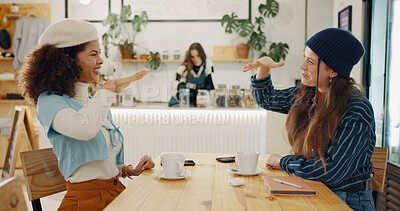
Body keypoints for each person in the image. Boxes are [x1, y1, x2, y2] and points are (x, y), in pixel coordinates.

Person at [18, 19, 155, 210]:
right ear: (67, 59)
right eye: (93, 54)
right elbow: (85, 129)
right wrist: (107, 89)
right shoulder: (49, 102)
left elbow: (95, 161)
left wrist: (128, 170)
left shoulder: (91, 102)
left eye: (100, 54)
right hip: (86, 202)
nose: (101, 61)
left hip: (114, 193)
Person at [243, 28, 376, 210]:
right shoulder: (310, 94)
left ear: (333, 71)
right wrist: (264, 67)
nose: (302, 66)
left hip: (347, 199)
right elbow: (266, 99)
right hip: (312, 188)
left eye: (311, 61)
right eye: (304, 57)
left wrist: (284, 162)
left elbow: (331, 171)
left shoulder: (356, 109)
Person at [168, 42, 215, 107]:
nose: (196, 59)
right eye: (192, 57)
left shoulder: (207, 65)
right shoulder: (183, 68)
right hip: (184, 103)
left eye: (198, 56)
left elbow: (211, 87)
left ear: (202, 55)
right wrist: (198, 87)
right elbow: (178, 87)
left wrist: (212, 104)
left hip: (201, 103)